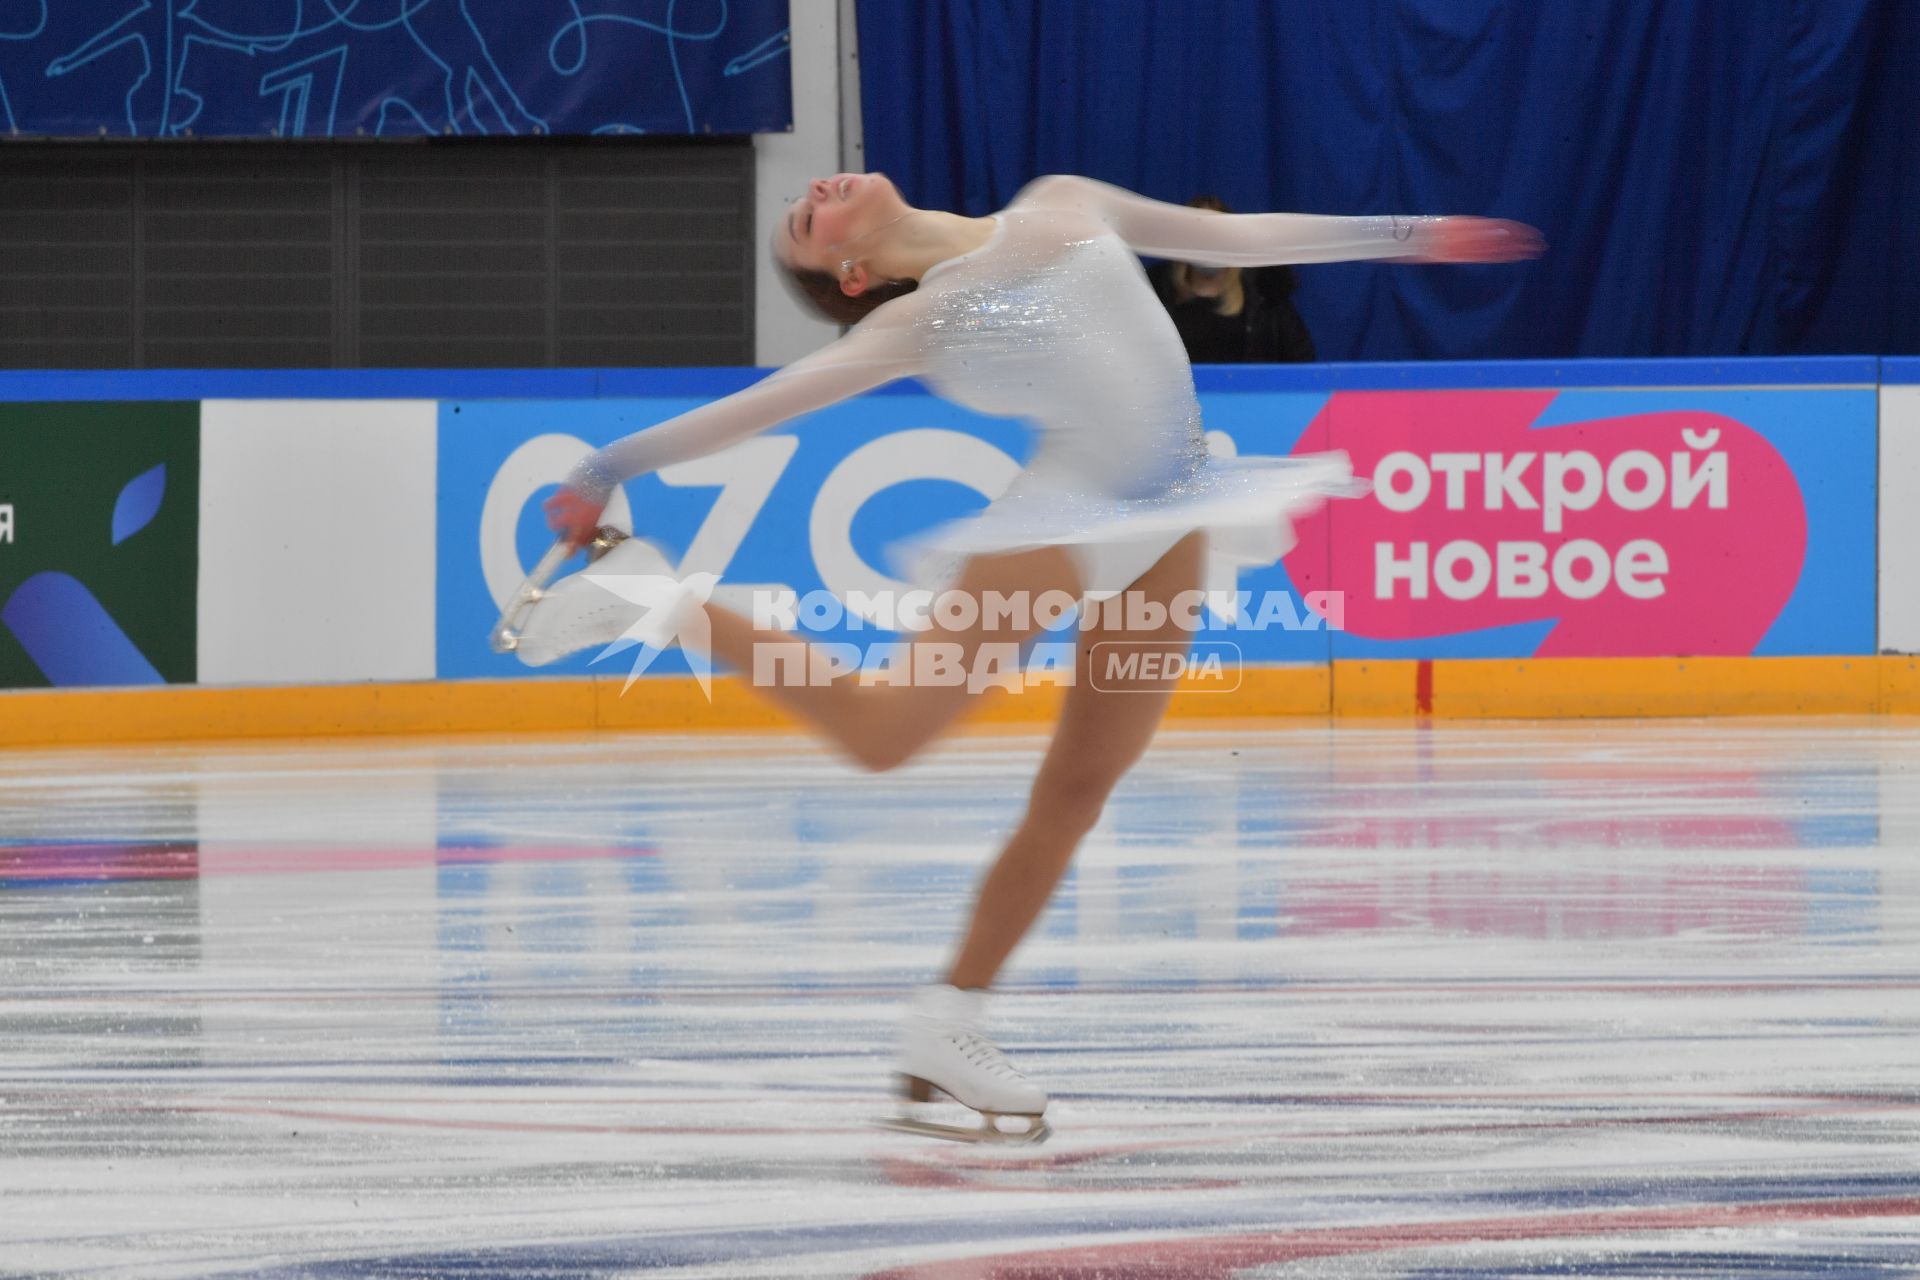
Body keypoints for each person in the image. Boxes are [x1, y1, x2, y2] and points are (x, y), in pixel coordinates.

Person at [525, 171, 1541, 1142]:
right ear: (852, 276)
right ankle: (653, 598)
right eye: (803, 218)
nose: (812, 192)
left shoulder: (1061, 203)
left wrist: (1405, 235)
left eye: (809, 191)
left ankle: (948, 1014)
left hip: (1179, 513)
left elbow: (1237, 238)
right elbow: (757, 409)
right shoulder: (911, 323)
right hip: (1073, 519)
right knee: (887, 734)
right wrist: (603, 465)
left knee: (1081, 785)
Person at [1147, 195, 1317, 363]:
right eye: (1200, 235)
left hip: (1249, 389)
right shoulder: (1158, 291)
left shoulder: (1264, 292)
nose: (1209, 245)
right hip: (1178, 390)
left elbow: (1301, 359)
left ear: (1232, 240)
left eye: (1217, 236)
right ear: (1183, 242)